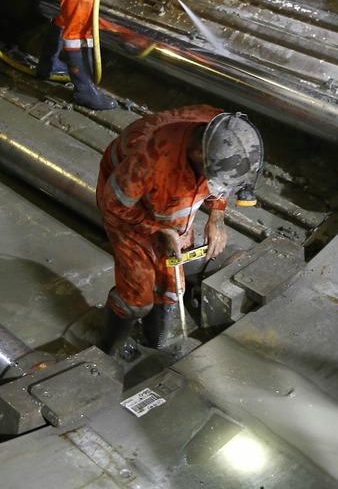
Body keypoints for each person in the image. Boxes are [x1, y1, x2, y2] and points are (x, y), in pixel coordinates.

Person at [94, 106, 264, 355]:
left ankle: (156, 343)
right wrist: (157, 229)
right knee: (137, 298)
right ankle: (108, 349)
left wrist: (216, 217)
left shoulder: (224, 132)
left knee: (172, 287)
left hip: (167, 202)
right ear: (198, 154)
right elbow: (114, 203)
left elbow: (219, 180)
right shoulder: (150, 159)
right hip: (127, 212)